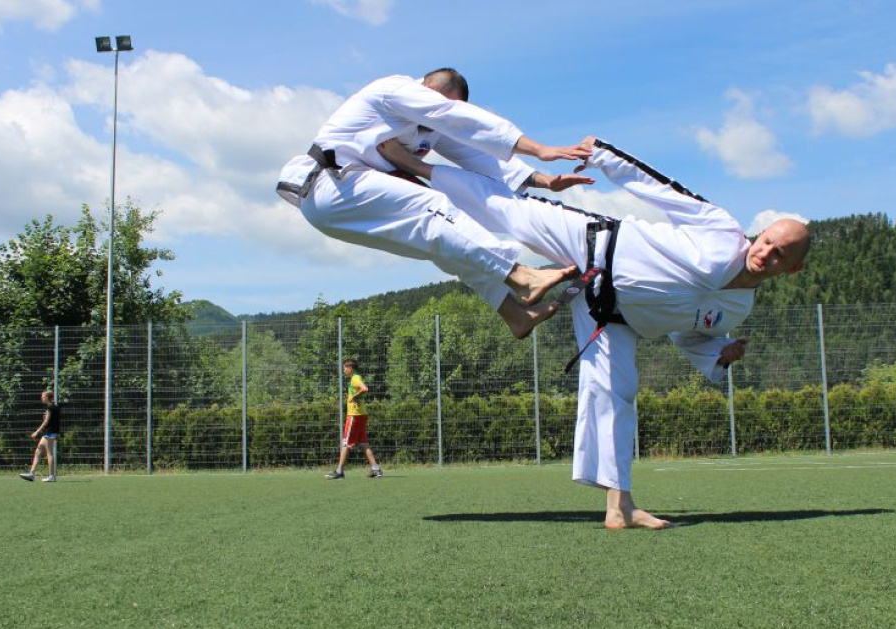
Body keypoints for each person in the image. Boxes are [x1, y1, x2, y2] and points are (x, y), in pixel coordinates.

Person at [378, 136, 811, 529]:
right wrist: (603, 155)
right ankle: (409, 166)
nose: (765, 253)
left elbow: (687, 332)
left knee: (616, 397)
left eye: (779, 254)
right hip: (591, 244)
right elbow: (662, 189)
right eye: (767, 241)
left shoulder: (738, 307)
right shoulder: (720, 230)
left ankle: (619, 507)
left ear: (793, 268)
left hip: (608, 315)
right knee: (503, 209)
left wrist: (719, 353)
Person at [276, 68, 593, 340]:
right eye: (439, 104)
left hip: (344, 203)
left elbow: (482, 157)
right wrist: (537, 148)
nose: (436, 118)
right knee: (435, 207)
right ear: (427, 91)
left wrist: (544, 180)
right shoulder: (395, 89)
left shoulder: (434, 128)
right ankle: (521, 275)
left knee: (447, 243)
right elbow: (454, 116)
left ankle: (516, 316)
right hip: (332, 182)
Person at [326, 360, 382, 479]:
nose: (344, 370)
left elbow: (365, 389)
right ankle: (376, 469)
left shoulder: (355, 378)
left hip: (354, 416)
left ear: (351, 368)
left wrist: (354, 397)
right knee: (363, 443)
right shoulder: (355, 379)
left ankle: (340, 471)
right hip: (362, 414)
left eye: (345, 368)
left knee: (346, 443)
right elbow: (359, 392)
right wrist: (353, 397)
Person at [21, 390, 61, 482]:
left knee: (49, 453)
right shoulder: (55, 407)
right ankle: (32, 474)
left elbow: (46, 421)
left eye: (43, 396)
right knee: (38, 451)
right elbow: (52, 420)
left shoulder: (50, 407)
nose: (41, 398)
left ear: (47, 398)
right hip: (49, 433)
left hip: (50, 433)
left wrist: (37, 432)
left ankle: (52, 476)